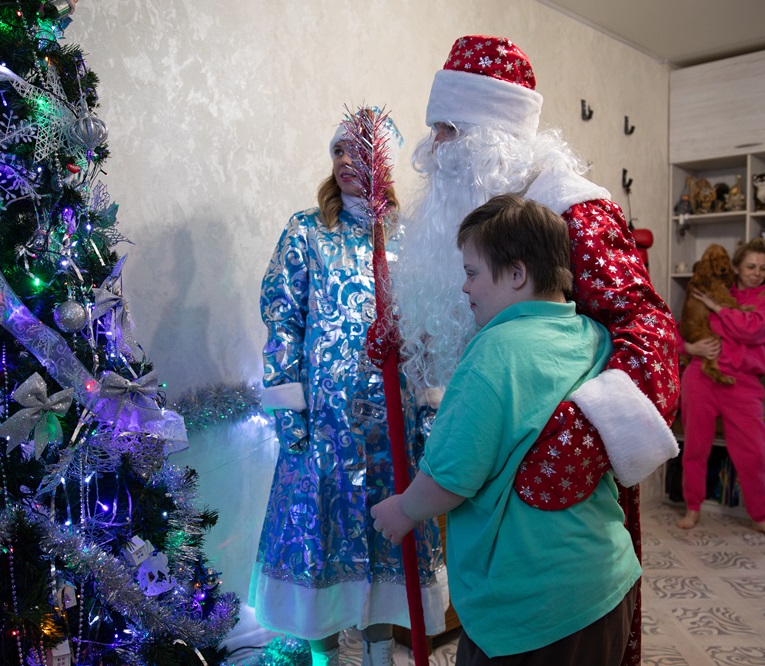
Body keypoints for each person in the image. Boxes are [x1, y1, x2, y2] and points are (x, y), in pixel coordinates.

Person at [392, 36, 680, 665]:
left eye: (447, 128)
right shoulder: (480, 216)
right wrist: (407, 336)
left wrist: (568, 447)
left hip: (564, 506)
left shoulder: (574, 209)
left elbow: (649, 334)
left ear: (492, 134)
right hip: (498, 517)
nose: (431, 147)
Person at [372, 194, 641, 665]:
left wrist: (403, 510)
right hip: (608, 581)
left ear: (517, 274)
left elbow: (452, 476)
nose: (464, 287)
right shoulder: (592, 337)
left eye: (472, 272)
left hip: (530, 610)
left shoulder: (494, 353)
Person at [249, 110, 448, 666]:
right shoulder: (306, 231)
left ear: (381, 163)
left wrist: (430, 414)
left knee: (389, 545)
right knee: (321, 544)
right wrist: (290, 411)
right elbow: (282, 322)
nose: (343, 162)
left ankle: (381, 656)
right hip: (323, 429)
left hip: (393, 429)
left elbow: (429, 334)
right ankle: (323, 658)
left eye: (356, 151)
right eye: (337, 151)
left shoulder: (410, 242)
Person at [677, 238, 765, 539]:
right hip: (701, 376)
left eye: (764, 268)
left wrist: (717, 310)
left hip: (743, 383)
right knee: (695, 447)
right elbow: (679, 326)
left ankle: (759, 516)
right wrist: (688, 345)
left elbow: (752, 329)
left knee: (752, 452)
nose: (757, 273)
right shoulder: (712, 288)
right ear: (736, 266)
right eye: (751, 266)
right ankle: (693, 507)